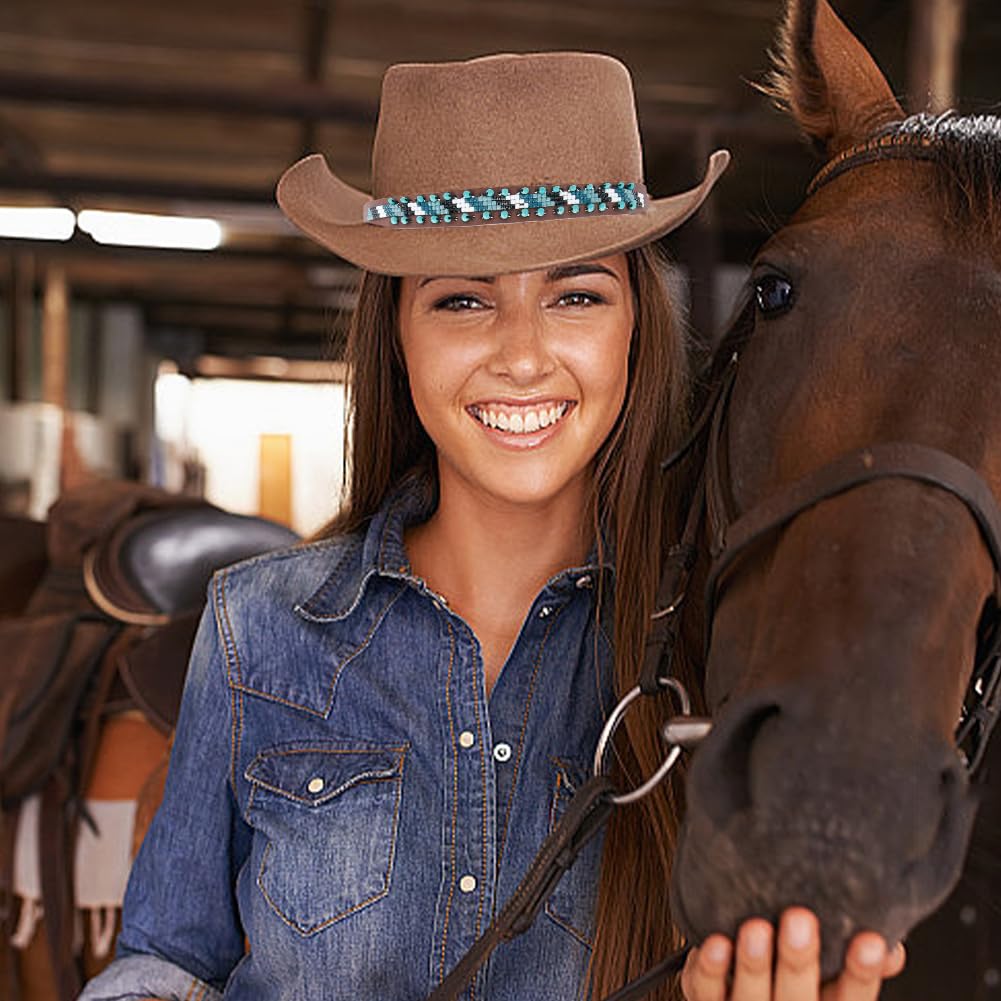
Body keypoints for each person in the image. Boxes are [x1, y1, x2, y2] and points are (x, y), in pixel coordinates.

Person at [78, 51, 905, 1001]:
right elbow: (165, 955)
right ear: (398, 334)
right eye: (463, 299)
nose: (521, 356)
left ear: (634, 326)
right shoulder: (255, 627)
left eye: (575, 295)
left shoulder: (720, 650)